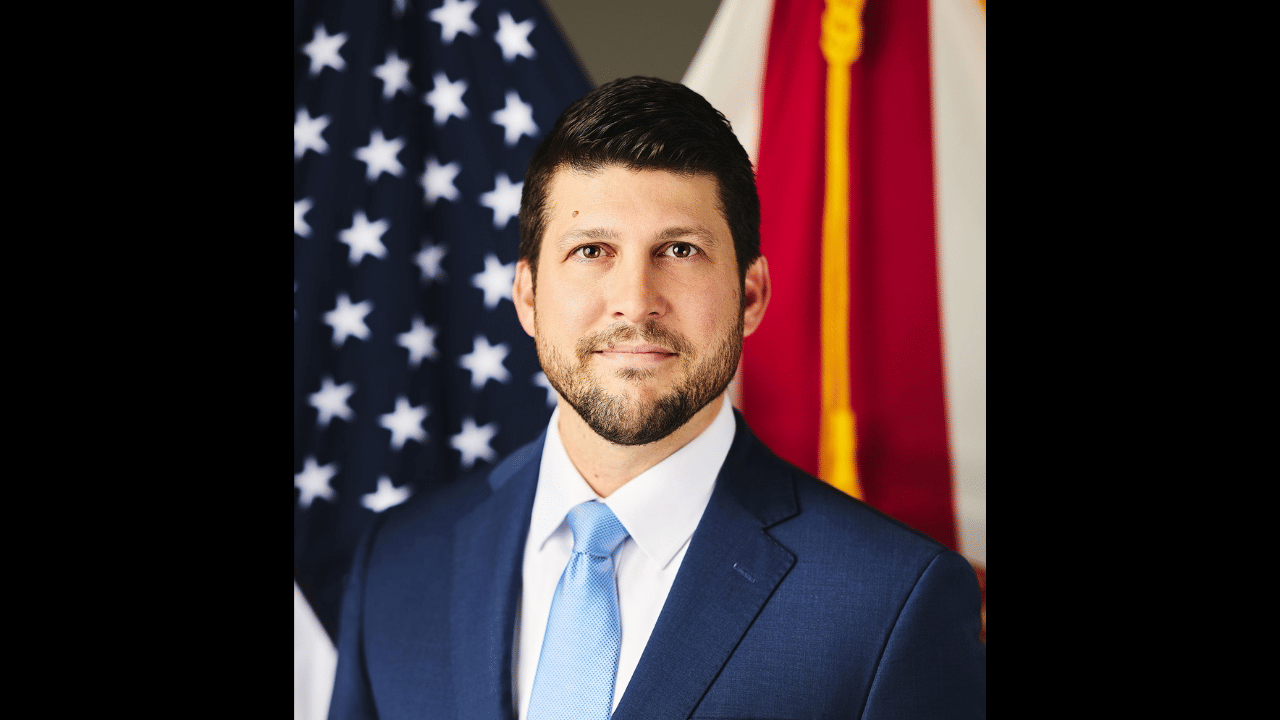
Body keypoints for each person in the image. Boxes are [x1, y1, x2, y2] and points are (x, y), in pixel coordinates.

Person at [328, 76, 985, 720]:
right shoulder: (398, 565)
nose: (635, 302)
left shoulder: (893, 604)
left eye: (679, 250)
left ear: (750, 295)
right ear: (527, 297)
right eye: (592, 250)